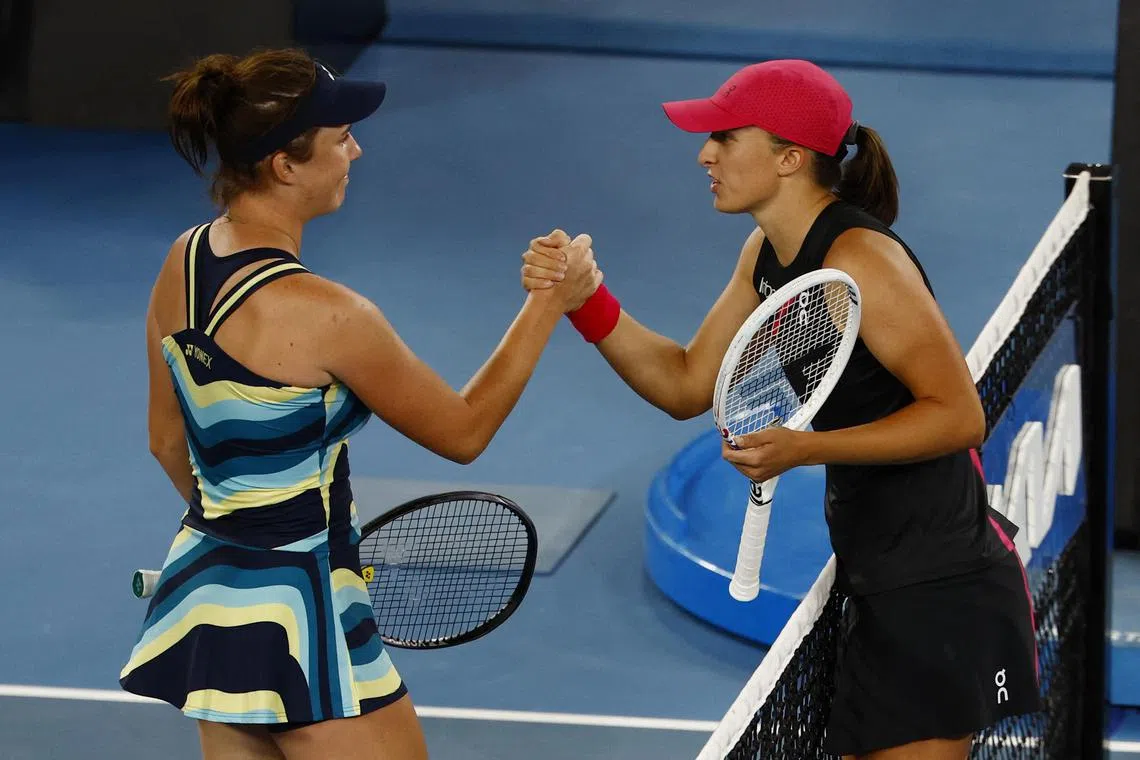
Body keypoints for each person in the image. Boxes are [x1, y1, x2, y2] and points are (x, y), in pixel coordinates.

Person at [520, 59, 1041, 760]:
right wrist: (588, 301)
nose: (705, 153)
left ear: (790, 158)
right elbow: (683, 384)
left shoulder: (863, 260)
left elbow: (958, 417)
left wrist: (807, 449)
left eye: (727, 138)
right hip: (875, 576)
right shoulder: (768, 251)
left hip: (942, 591)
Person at [119, 48, 600, 760]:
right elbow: (464, 430)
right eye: (340, 138)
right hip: (306, 628)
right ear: (286, 163)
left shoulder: (183, 261)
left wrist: (252, 545)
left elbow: (167, 442)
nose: (356, 149)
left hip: (213, 608)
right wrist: (547, 303)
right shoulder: (332, 316)